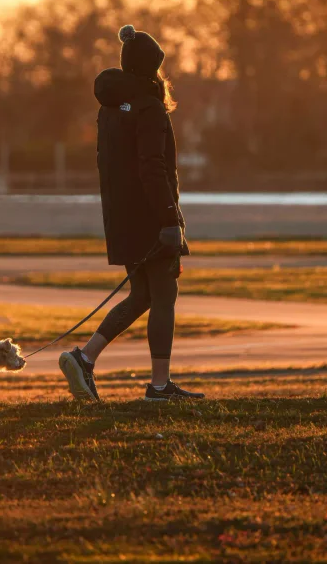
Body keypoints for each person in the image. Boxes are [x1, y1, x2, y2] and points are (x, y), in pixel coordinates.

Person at [59, 24, 205, 403]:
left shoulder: (109, 110)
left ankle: (84, 358)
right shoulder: (149, 108)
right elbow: (153, 169)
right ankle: (159, 387)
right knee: (164, 294)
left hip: (121, 218)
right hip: (151, 218)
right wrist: (171, 222)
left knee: (141, 295)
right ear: (150, 68)